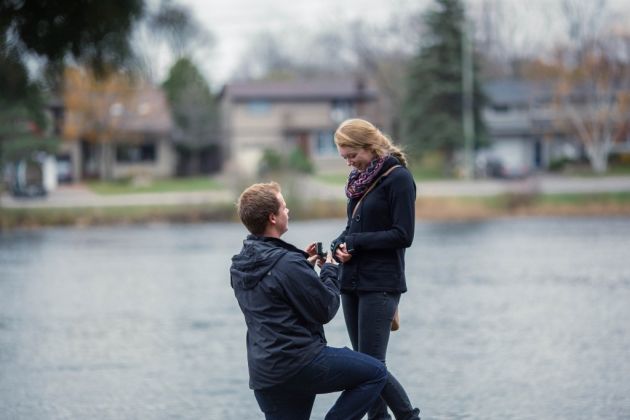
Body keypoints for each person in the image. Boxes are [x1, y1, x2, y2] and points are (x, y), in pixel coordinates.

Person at [230, 181, 388, 420]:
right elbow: (326, 308)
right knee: (375, 373)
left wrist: (304, 266)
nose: (288, 211)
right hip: (301, 364)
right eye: (284, 207)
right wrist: (330, 270)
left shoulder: (240, 264)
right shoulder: (287, 264)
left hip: (266, 375)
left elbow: (275, 293)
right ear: (273, 217)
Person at [331, 118, 421, 420]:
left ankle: (409, 417)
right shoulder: (360, 181)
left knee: (371, 366)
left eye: (351, 156)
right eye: (344, 158)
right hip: (351, 282)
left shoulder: (398, 179)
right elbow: (353, 228)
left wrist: (355, 242)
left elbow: (403, 235)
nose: (349, 164)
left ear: (369, 147)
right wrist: (339, 244)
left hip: (380, 284)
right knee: (363, 367)